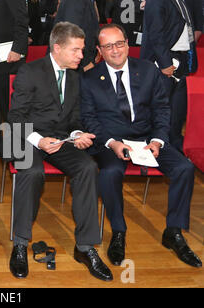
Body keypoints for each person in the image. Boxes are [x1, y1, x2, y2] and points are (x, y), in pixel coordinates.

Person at [81, 24, 202, 268]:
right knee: (110, 173)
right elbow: (89, 119)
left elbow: (162, 110)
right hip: (111, 141)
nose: (115, 50)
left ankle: (174, 232)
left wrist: (157, 141)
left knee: (184, 169)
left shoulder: (147, 70)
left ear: (127, 44)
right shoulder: (89, 79)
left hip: (148, 138)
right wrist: (112, 143)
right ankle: (118, 232)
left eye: (119, 44)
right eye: (108, 46)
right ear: (99, 50)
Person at [7, 22, 113, 281]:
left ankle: (85, 248)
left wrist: (77, 135)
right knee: (31, 172)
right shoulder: (29, 71)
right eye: (76, 50)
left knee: (88, 167)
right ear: (57, 48)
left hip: (61, 140)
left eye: (82, 50)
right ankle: (20, 244)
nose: (82, 56)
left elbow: (75, 118)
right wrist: (39, 140)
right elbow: (15, 117)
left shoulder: (76, 76)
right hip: (26, 137)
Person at [141, 0, 198, 152]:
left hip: (182, 58)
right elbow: (155, 34)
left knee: (177, 109)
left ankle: (174, 143)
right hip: (163, 61)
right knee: (160, 107)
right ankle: (154, 145)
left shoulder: (182, 1)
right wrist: (165, 63)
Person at [51, 0, 100, 71]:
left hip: (81, 62)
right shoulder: (75, 2)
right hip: (76, 65)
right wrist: (85, 66)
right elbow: (71, 36)